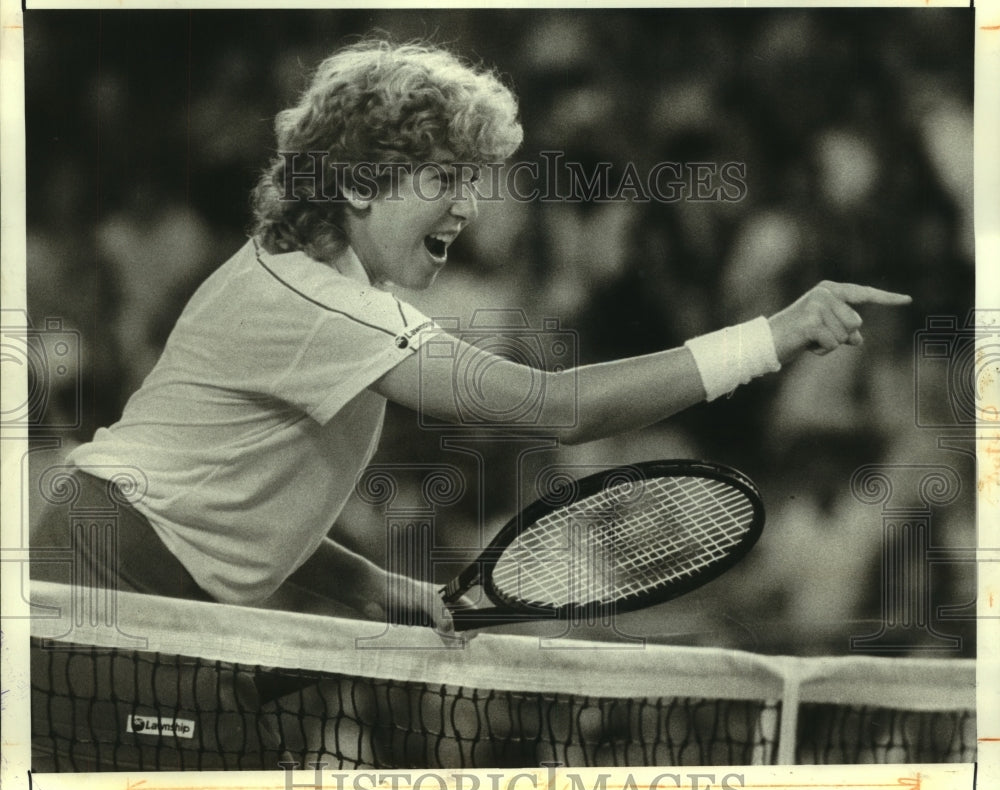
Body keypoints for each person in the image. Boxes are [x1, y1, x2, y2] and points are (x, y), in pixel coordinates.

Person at [34, 39, 910, 632]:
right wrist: (772, 334)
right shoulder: (326, 305)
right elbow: (556, 406)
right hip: (114, 574)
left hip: (126, 558)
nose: (470, 206)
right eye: (445, 176)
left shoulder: (309, 278)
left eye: (476, 180)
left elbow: (223, 503)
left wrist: (374, 585)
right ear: (362, 182)